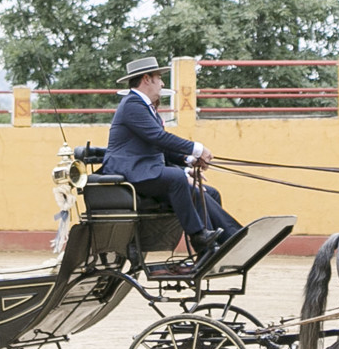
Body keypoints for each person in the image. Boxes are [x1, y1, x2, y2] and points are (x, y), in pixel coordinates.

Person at [101, 56, 241, 255]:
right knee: (176, 179)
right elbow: (158, 138)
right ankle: (202, 238)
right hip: (130, 172)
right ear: (146, 79)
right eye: (159, 78)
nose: (162, 83)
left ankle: (217, 244)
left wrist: (188, 160)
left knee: (209, 192)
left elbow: (160, 147)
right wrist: (197, 149)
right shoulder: (132, 104)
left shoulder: (145, 108)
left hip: (145, 170)